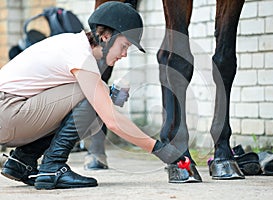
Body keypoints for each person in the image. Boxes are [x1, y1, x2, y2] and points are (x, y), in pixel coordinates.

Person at [0, 2, 186, 190]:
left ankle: (22, 162)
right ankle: (53, 166)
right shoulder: (80, 56)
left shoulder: (73, 45)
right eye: (124, 45)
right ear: (106, 36)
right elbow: (112, 121)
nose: (124, 54)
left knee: (98, 96)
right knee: (96, 99)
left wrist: (108, 94)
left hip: (10, 113)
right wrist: (164, 151)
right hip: (7, 111)